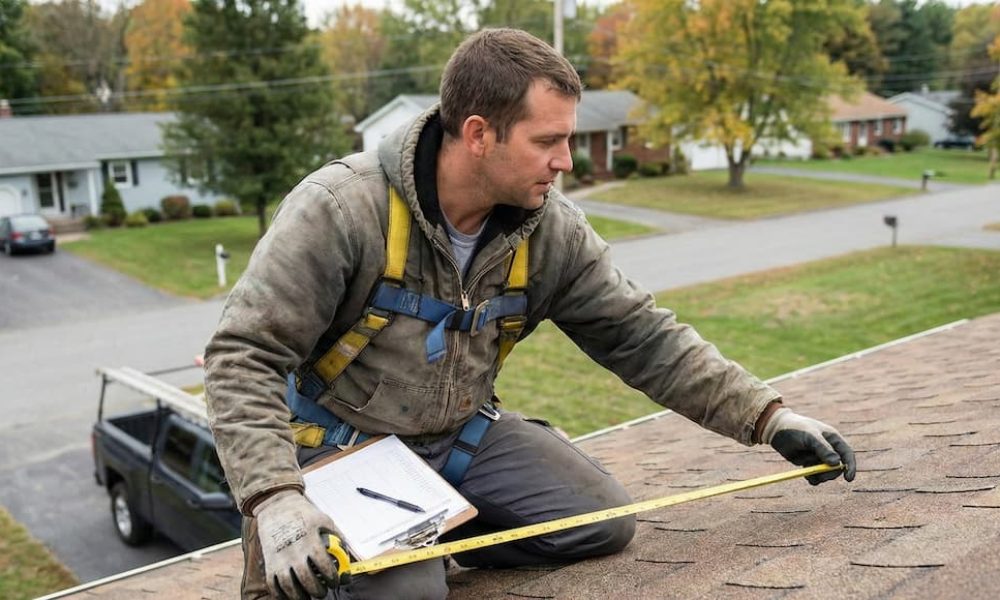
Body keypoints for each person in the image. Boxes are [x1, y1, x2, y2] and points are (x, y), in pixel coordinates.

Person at [204, 28, 856, 600]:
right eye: (549, 140)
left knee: (600, 520)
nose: (566, 161)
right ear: (479, 135)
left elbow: (641, 335)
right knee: (407, 593)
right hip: (341, 448)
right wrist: (274, 499)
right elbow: (242, 357)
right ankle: (386, 553)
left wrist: (767, 418)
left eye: (568, 140)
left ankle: (439, 524)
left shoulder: (549, 232)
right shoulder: (341, 211)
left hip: (458, 438)